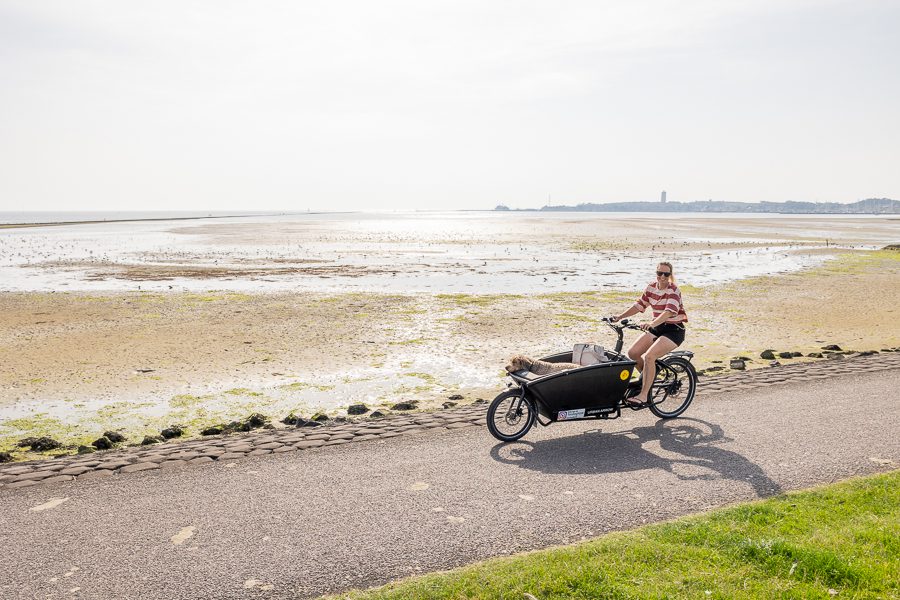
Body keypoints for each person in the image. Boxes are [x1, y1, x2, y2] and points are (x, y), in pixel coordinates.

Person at [610, 261, 687, 406]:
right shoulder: (651, 287)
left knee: (650, 357)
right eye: (660, 273)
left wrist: (651, 323)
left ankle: (644, 395)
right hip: (658, 328)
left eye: (666, 274)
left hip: (674, 330)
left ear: (670, 275)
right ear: (656, 273)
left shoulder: (674, 290)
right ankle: (649, 377)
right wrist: (620, 317)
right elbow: (639, 305)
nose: (662, 277)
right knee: (633, 353)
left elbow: (669, 312)